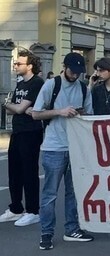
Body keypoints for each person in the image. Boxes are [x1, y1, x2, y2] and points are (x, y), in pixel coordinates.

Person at [31, 52, 94, 250]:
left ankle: (72, 229)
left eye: (79, 73)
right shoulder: (52, 85)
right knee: (50, 193)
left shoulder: (84, 88)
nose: (75, 75)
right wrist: (60, 111)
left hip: (75, 146)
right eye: (73, 71)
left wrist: (79, 113)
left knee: (73, 192)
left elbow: (90, 115)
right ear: (65, 67)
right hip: (54, 147)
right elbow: (35, 114)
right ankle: (46, 233)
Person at [0, 50, 44, 227]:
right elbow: (13, 109)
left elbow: (17, 109)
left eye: (19, 63)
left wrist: (13, 106)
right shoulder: (20, 84)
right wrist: (14, 106)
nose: (15, 66)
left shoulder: (36, 83)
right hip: (17, 131)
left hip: (31, 132)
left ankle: (33, 211)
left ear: (29, 66)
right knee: (14, 172)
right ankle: (16, 208)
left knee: (29, 172)